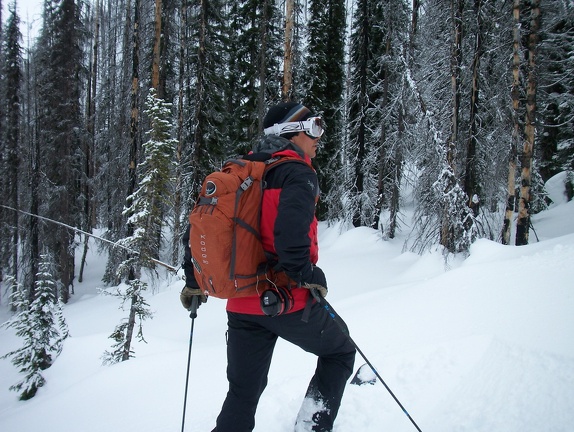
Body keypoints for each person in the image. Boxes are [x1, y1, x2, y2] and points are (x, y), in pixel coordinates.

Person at [180, 102, 356, 432]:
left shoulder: (241, 172)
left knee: (243, 392)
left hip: (241, 304)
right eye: (314, 128)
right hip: (285, 299)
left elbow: (199, 226)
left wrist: (193, 279)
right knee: (340, 352)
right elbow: (290, 242)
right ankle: (310, 428)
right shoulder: (297, 173)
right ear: (293, 133)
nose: (319, 137)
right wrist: (311, 275)